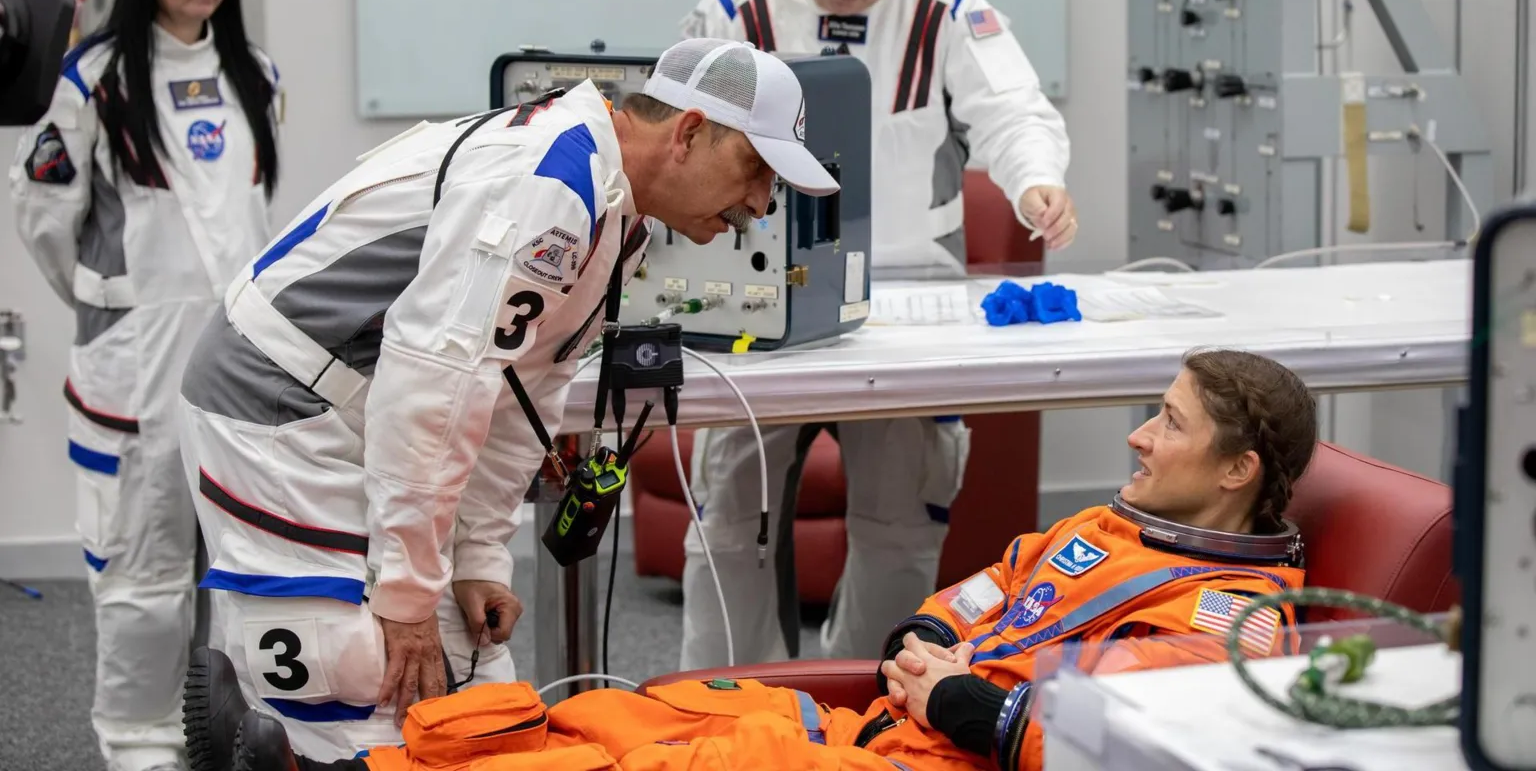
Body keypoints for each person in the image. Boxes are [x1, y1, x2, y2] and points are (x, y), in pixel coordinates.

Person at [176, 36, 839, 766]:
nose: (760, 204)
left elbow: (526, 387)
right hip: (278, 402)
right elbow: (435, 385)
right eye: (757, 170)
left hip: (372, 403)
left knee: (478, 686)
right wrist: (406, 593)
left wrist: (478, 559)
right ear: (687, 132)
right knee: (366, 674)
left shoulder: (617, 211)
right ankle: (280, 750)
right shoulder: (550, 182)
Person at [197, 348, 1320, 771]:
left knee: (655, 769)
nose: (1136, 435)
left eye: (1167, 423)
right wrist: (933, 653)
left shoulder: (1231, 615)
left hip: (923, 762)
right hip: (871, 727)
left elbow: (1115, 752)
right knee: (619, 712)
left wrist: (961, 697)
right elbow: (945, 611)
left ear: (1236, 472)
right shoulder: (1091, 534)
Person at [677, 0, 1081, 671]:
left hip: (908, 293)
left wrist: (1036, 182)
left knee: (902, 521)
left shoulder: (945, 3)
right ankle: (727, 695)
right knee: (730, 520)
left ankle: (870, 697)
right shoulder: (741, 3)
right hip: (761, 288)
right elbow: (683, 125)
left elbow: (1013, 108)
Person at [8, 0, 279, 769]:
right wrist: (113, 304)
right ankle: (138, 745)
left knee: (251, 564)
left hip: (237, 361)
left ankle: (246, 735)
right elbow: (46, 219)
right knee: (140, 578)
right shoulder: (92, 77)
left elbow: (256, 215)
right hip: (134, 365)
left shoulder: (257, 76)